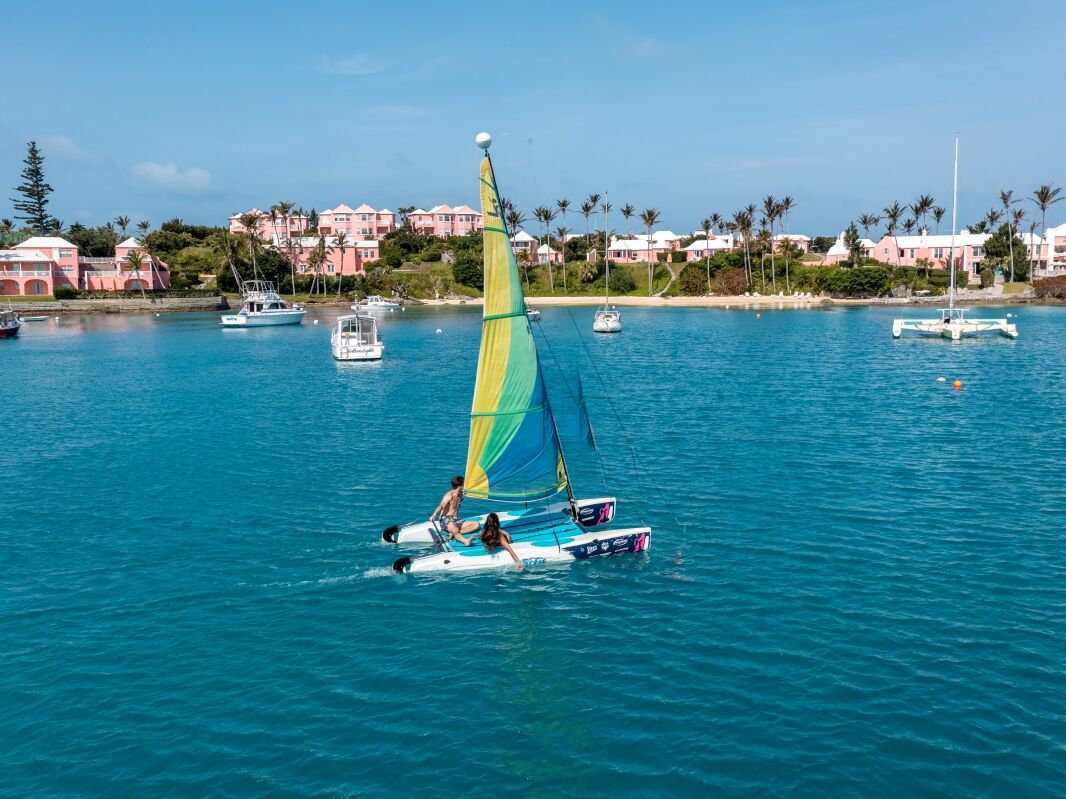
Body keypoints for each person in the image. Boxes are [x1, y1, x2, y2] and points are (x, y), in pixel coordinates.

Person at [429, 475, 479, 545]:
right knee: (455, 529)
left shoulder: (461, 494)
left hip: (456, 519)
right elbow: (440, 507)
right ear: (460, 486)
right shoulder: (449, 495)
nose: (465, 486)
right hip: (446, 520)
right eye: (464, 484)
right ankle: (465, 541)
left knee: (476, 524)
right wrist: (433, 515)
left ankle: (454, 534)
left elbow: (471, 493)